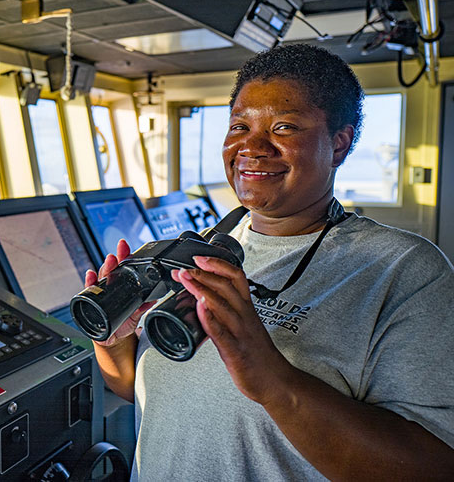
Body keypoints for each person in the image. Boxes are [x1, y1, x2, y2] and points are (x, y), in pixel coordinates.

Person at [86, 44, 454, 480]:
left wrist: (272, 380)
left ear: (340, 143)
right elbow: (144, 392)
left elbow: (430, 466)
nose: (252, 146)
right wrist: (114, 342)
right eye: (239, 125)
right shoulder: (196, 250)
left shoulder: (405, 271)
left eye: (284, 127)